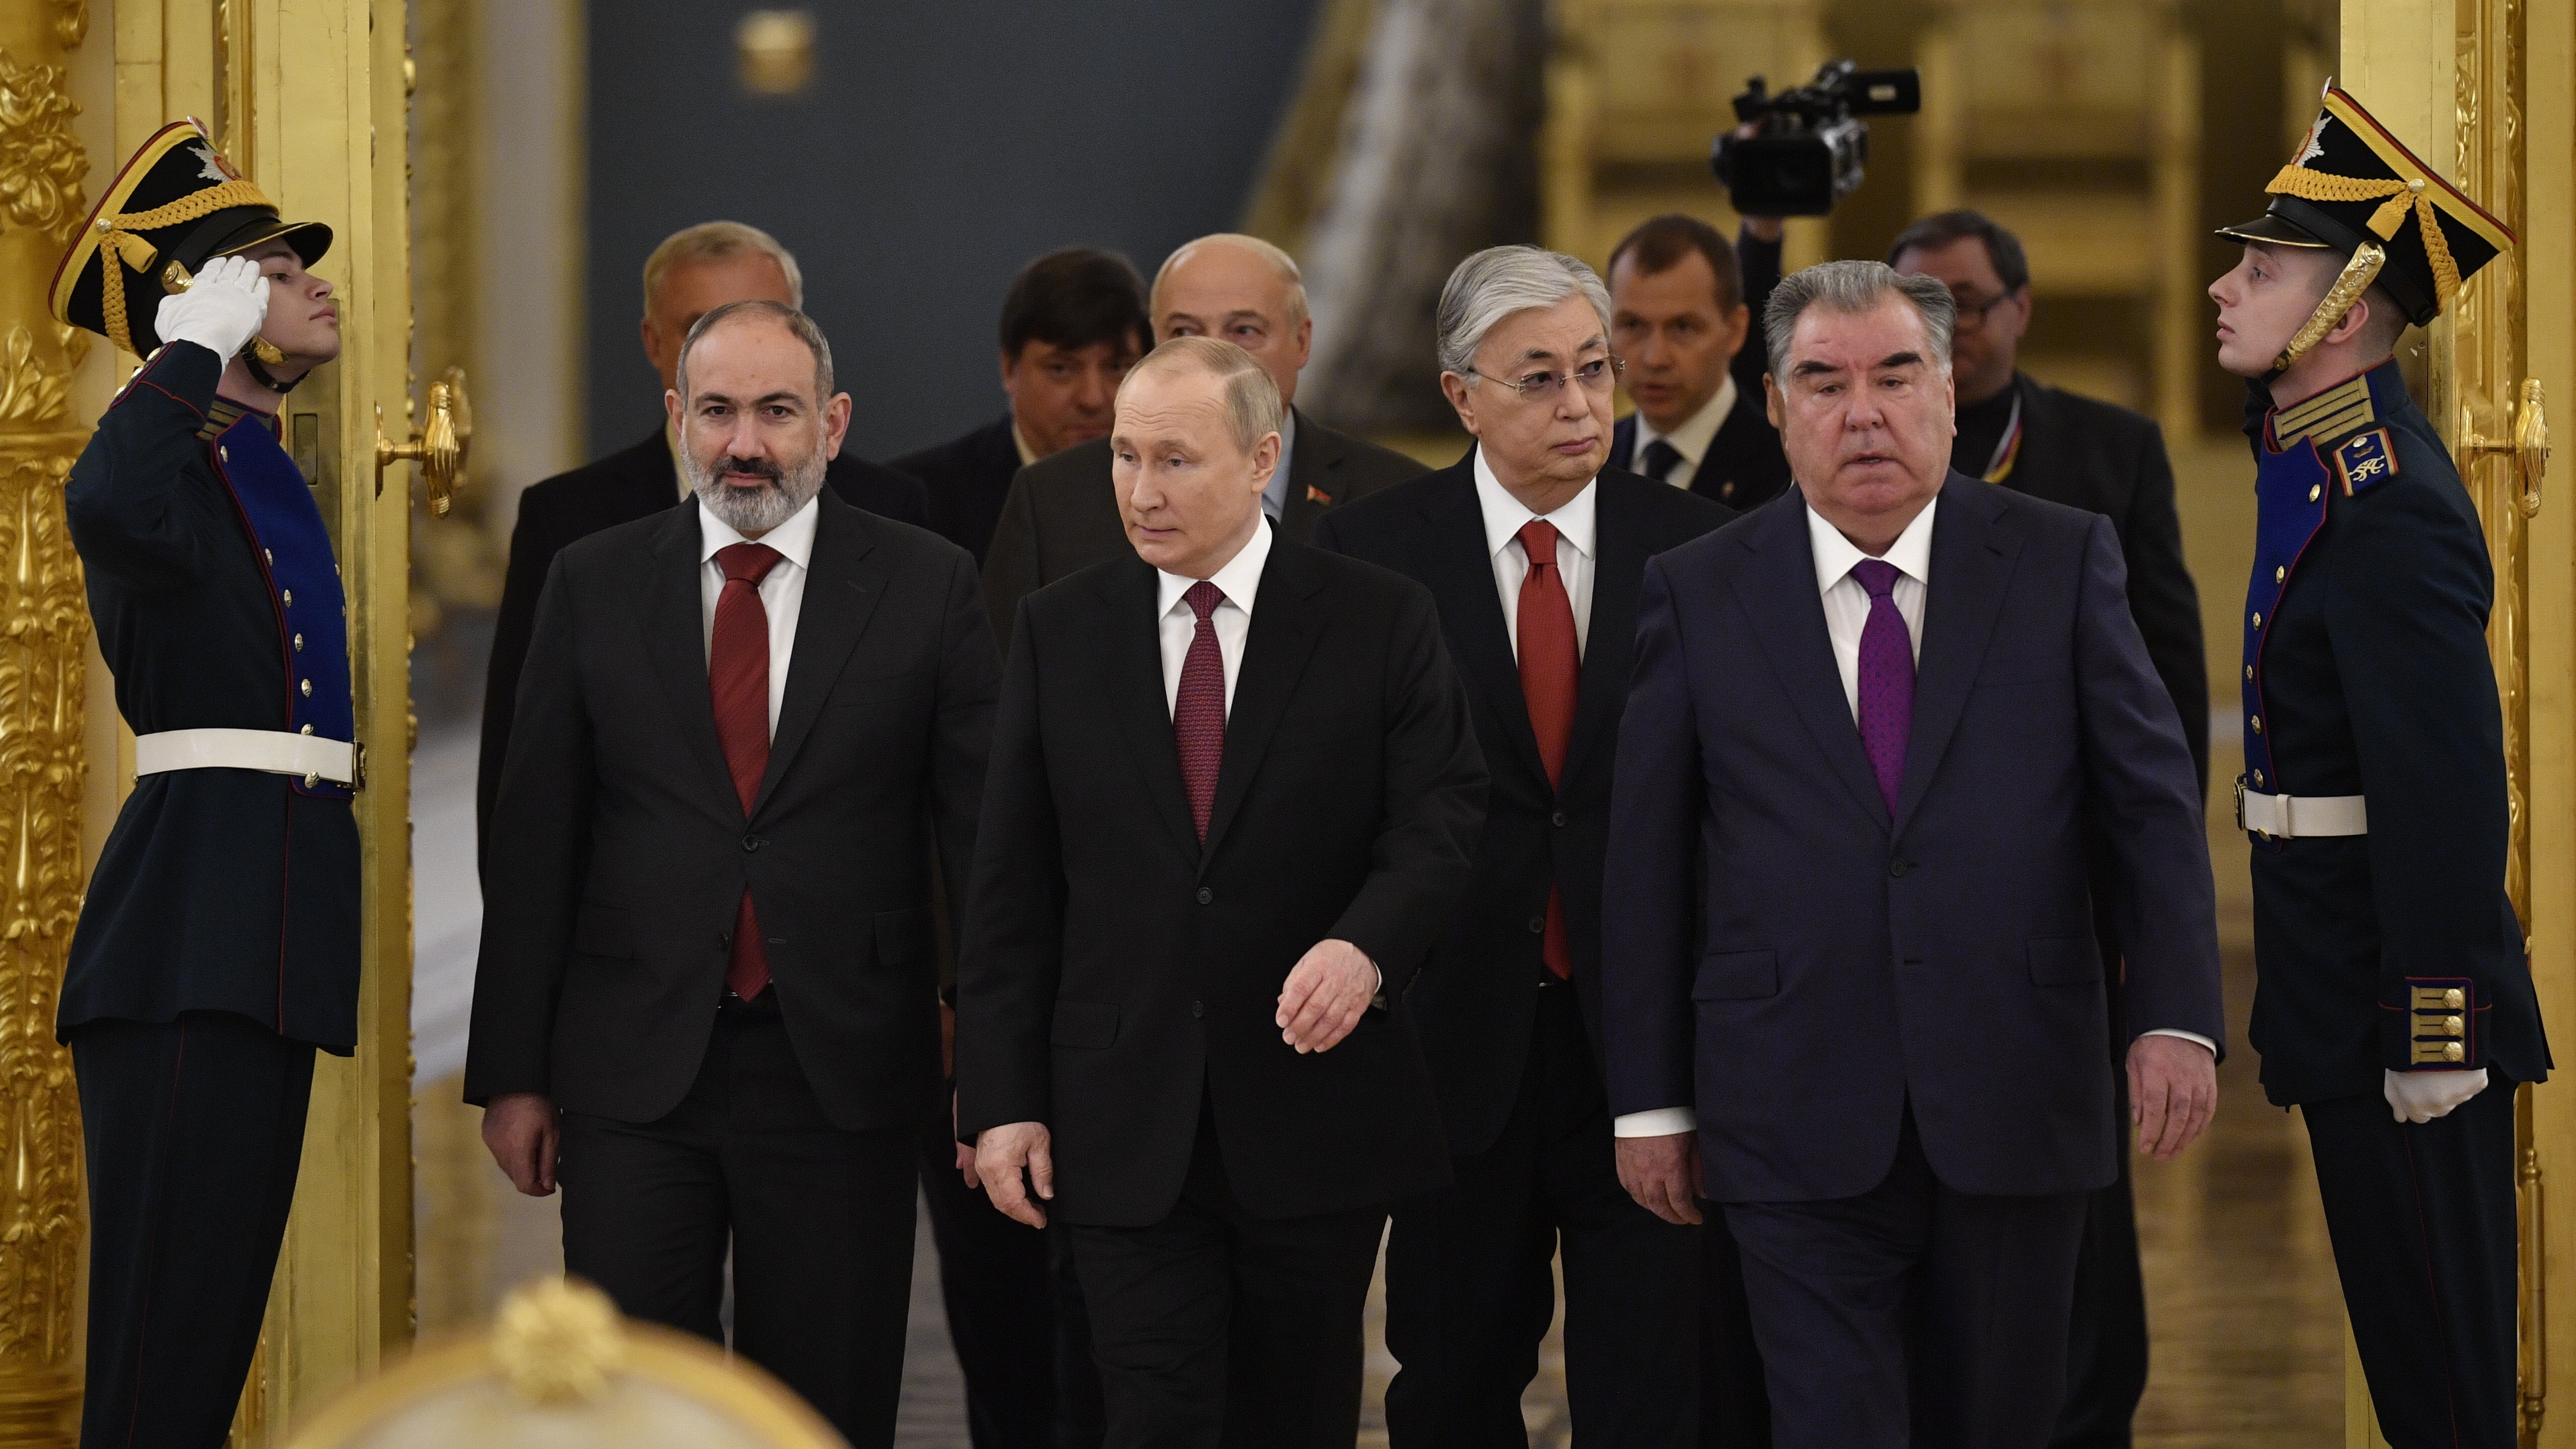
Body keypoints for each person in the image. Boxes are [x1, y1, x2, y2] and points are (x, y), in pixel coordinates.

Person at [1601, 260, 2226, 1449]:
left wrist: (2176, 1015)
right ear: (1777, 406)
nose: (1864, 412)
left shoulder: (2060, 558)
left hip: (2018, 1089)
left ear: (1948, 389)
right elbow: (1646, 863)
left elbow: (2148, 806)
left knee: (1996, 1422)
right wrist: (1648, 1099)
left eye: (1896, 375)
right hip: (1785, 1100)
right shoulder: (1697, 591)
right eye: (1823, 383)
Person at [464, 301, 997, 1448]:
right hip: (632, 1069)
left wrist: (992, 1059)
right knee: (631, 1405)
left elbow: (979, 844)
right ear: (675, 420)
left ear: (833, 424)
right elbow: (536, 837)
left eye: (775, 411)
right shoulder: (592, 580)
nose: (744, 442)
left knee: (822, 1406)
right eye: (716, 411)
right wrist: (512, 1072)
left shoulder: (925, 583)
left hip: (840, 1069)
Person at [956, 337, 1486, 1445]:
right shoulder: (1063, 629)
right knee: (1150, 1416)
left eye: (1176, 462)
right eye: (1124, 458)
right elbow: (1009, 887)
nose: (1141, 493)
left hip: (1311, 1113)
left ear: (1261, 458)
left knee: (1294, 1419)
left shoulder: (1378, 616)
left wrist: (1367, 949)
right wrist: (999, 1097)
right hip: (1118, 1114)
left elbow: (1438, 823)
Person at [1312, 246, 1737, 1446]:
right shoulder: (1368, 560)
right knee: (1448, 1385)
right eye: (1539, 377)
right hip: (1450, 1046)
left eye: (1593, 370)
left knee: (1654, 1394)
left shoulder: (1705, 550)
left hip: (1648, 1049)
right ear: (1460, 395)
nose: (1582, 403)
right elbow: (1342, 810)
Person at [2208, 85, 2547, 1448]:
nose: (2227, 288)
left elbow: (2446, 788)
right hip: (2338, 980)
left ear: (2345, 312)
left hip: (2401, 1007)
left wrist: (2436, 1025)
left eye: (2265, 269)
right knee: (2411, 1371)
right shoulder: (2313, 463)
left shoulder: (2388, 499)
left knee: (2446, 1389)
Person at [47, 119, 358, 1448]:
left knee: (210, 1325)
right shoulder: (163, 465)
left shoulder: (260, 469)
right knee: (156, 1351)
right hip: (187, 934)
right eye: (278, 267)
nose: (314, 283)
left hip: (263, 929)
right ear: (214, 303)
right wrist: (186, 351)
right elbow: (108, 505)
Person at [1882, 207, 2209, 1449]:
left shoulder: (2107, 454)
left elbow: (2162, 707)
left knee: (2068, 1216)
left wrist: (2134, 912)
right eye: (1918, 305)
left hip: (2054, 916)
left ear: (2018, 310)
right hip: (1889, 889)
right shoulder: (1852, 453)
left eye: (1965, 302)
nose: (1945, 329)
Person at [479, 221, 929, 843]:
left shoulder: (897, 514)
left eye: (757, 318)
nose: (732, 345)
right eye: (700, 326)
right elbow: (522, 783)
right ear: (652, 341)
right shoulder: (565, 523)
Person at [980, 233, 1426, 649]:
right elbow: (1003, 701)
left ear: (1302, 340)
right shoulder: (1050, 501)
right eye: (1184, 333)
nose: (1212, 357)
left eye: (1244, 331)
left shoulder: (1400, 501)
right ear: (1153, 343)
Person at [895, 247, 1151, 563]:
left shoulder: (1182, 495)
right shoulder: (918, 504)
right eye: (1061, 369)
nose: (1093, 399)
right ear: (1008, 369)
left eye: (1117, 368)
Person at [1603, 215, 1791, 509]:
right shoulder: (1592, 459)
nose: (1655, 359)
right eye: (1633, 325)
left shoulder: (1788, 468)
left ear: (1735, 330)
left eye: (1683, 328)